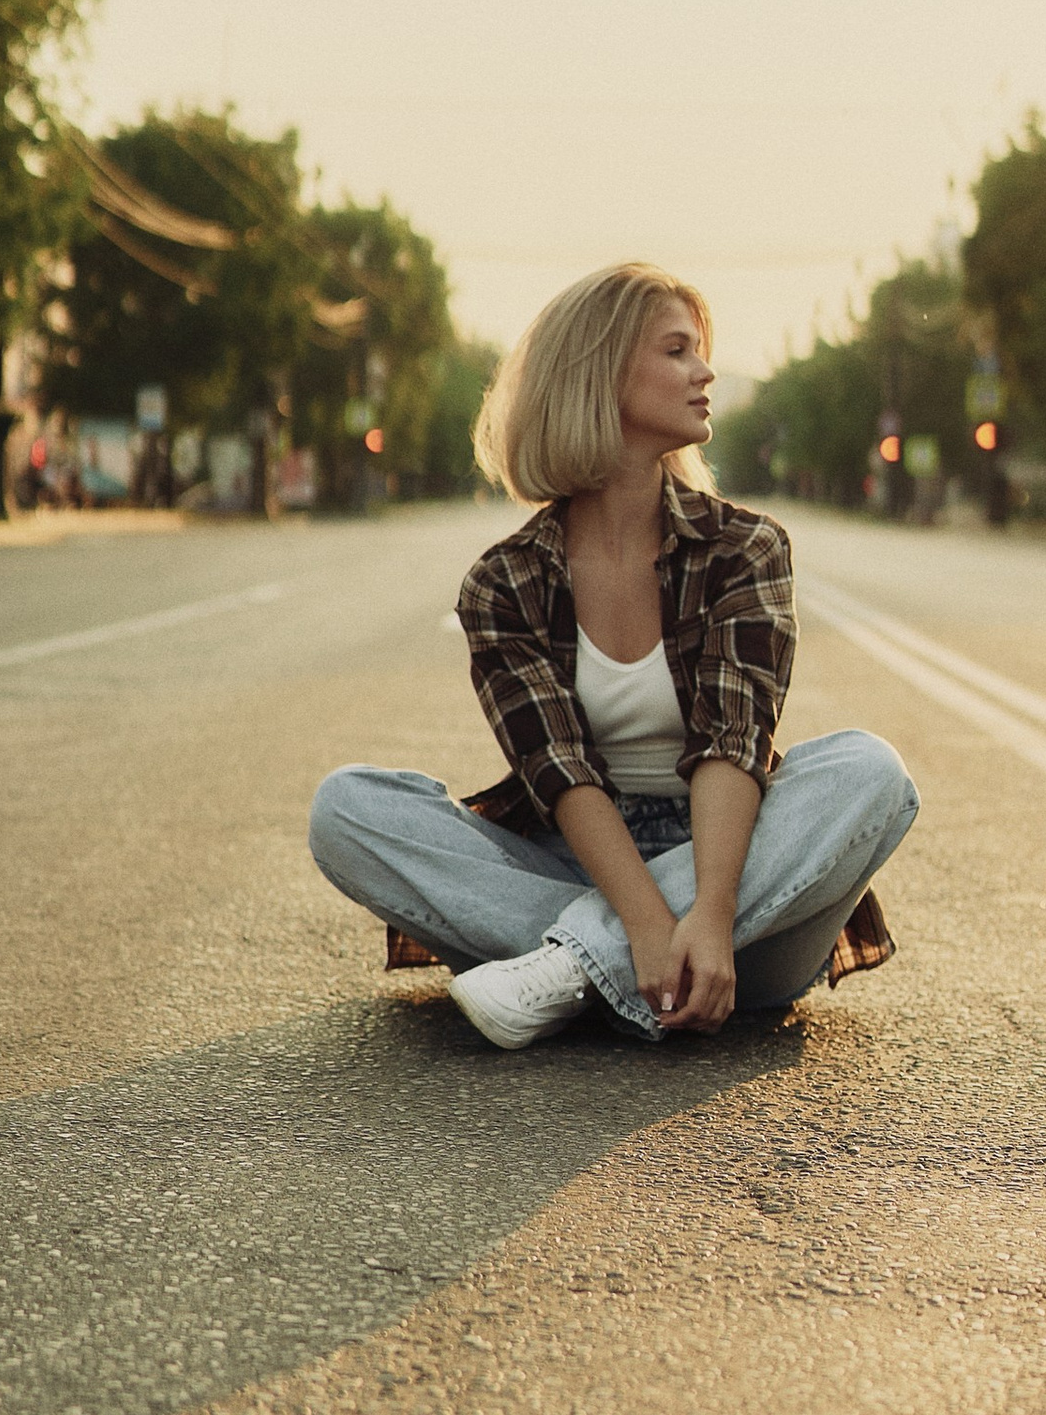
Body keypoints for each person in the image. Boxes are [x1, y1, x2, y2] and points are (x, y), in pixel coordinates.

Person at [308, 264, 918, 1049]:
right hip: (574, 864)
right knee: (347, 809)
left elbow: (732, 747)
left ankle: (565, 973)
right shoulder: (504, 583)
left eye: (700, 352)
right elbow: (559, 773)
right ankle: (622, 964)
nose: (706, 373)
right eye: (677, 351)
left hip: (737, 897)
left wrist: (710, 915)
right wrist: (642, 923)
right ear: (599, 374)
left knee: (870, 773)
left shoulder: (745, 549)